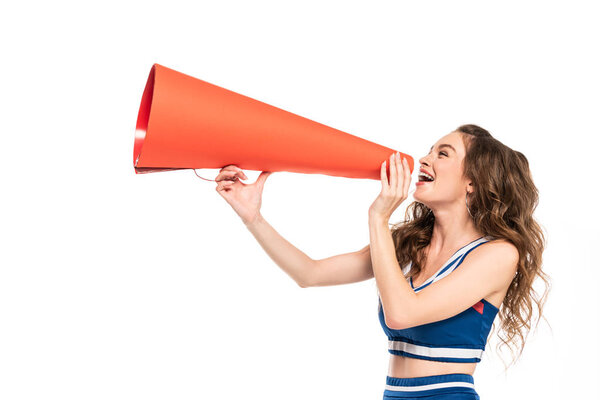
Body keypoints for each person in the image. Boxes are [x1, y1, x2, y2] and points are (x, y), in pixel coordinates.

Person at [213, 124, 550, 400]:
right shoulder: (407, 245)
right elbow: (309, 274)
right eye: (430, 150)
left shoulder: (498, 254)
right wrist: (252, 216)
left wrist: (378, 217)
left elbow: (403, 314)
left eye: (442, 154)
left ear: (472, 182)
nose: (423, 159)